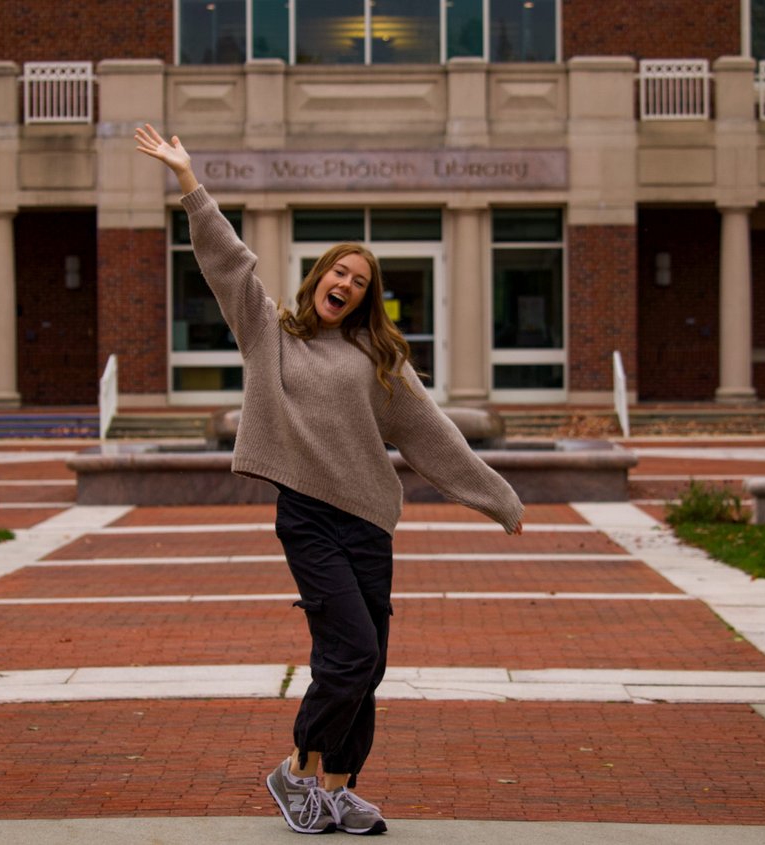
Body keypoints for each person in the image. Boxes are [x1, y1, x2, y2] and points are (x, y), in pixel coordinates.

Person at [135, 124, 524, 836]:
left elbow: (432, 434)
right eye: (338, 273)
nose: (345, 285)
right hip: (308, 517)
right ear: (318, 279)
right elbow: (228, 265)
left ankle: (339, 789)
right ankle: (294, 771)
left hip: (371, 520)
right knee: (353, 652)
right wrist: (190, 183)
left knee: (364, 667)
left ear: (366, 297)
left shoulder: (378, 357)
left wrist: (497, 497)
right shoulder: (269, 334)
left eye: (360, 281)